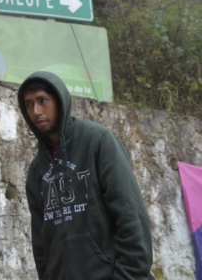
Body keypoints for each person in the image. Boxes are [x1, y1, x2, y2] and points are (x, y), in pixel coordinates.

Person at [17, 71, 153, 280]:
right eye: (28, 104)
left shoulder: (97, 141)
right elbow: (40, 243)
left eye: (42, 100)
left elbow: (131, 217)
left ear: (59, 100)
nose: (36, 111)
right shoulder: (37, 170)